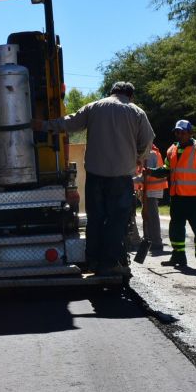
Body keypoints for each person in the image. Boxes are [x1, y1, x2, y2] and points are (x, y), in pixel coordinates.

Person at [33, 81, 155, 276]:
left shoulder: (95, 107)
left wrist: (43, 125)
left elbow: (69, 123)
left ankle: (93, 261)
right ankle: (110, 263)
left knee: (95, 218)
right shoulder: (137, 112)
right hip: (121, 176)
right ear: (130, 96)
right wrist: (139, 157)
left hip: (96, 175)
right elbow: (148, 140)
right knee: (116, 220)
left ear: (112, 92)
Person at [144, 120, 196, 270]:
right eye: (177, 132)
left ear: (190, 133)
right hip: (177, 198)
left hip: (195, 199)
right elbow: (166, 169)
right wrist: (151, 171)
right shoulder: (172, 150)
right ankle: (178, 256)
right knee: (175, 229)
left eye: (183, 132)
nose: (180, 135)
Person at [133, 144, 169, 254]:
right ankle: (148, 239)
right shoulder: (145, 154)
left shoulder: (151, 155)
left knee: (152, 216)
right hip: (147, 189)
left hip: (153, 189)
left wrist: (130, 181)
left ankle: (156, 242)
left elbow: (147, 174)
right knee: (146, 215)